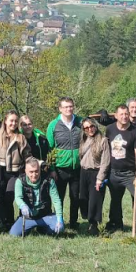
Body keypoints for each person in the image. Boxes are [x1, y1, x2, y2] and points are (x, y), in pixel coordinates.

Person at [0, 110, 32, 226]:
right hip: (0, 171)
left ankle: (10, 221)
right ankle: (2, 221)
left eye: (16, 121)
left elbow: (27, 156)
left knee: (9, 195)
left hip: (15, 172)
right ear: (5, 121)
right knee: (0, 197)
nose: (13, 123)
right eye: (11, 120)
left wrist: (33, 167)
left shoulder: (21, 138)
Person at [104, 104, 136, 233]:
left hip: (130, 173)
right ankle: (116, 224)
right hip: (113, 172)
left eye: (126, 114)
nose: (124, 116)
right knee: (115, 200)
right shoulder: (110, 129)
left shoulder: (135, 132)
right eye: (121, 114)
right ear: (115, 116)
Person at [45, 97, 83, 230]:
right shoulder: (53, 125)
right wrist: (52, 169)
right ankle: (58, 221)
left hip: (77, 168)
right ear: (60, 109)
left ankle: (73, 222)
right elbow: (49, 149)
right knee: (59, 198)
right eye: (66, 107)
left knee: (75, 197)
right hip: (60, 169)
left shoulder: (80, 122)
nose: (69, 109)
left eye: (71, 106)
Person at [10, 158, 64, 237]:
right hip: (28, 217)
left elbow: (56, 200)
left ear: (39, 170)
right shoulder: (20, 181)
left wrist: (59, 218)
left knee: (57, 231)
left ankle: (42, 229)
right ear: (25, 171)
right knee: (14, 234)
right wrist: (22, 205)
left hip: (45, 215)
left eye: (36, 171)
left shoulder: (48, 180)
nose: (34, 175)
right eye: (31, 172)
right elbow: (18, 197)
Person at [79, 118, 110, 236]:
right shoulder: (84, 140)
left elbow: (105, 162)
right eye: (86, 128)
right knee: (84, 198)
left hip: (96, 173)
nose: (89, 129)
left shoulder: (103, 141)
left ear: (95, 126)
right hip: (83, 172)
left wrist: (100, 178)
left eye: (91, 126)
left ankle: (94, 224)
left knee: (95, 200)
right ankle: (88, 220)